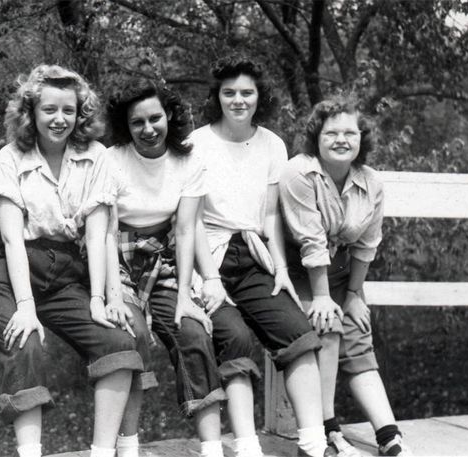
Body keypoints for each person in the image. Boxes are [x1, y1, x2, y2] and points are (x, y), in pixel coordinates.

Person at [0, 64, 153, 457]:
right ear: (31, 112)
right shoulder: (11, 157)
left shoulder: (96, 157)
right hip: (5, 273)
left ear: (80, 112)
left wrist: (103, 299)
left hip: (66, 273)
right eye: (49, 109)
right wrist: (25, 307)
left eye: (68, 110)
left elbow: (100, 233)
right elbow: (11, 238)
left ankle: (105, 452)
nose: (59, 119)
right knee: (26, 343)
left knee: (118, 340)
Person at [191, 57, 327, 457]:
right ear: (217, 97)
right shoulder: (197, 142)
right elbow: (192, 218)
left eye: (246, 92)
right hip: (208, 256)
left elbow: (270, 215)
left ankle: (313, 444)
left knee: (297, 334)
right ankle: (248, 447)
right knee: (234, 337)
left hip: (254, 255)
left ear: (258, 96)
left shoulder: (272, 143)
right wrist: (206, 277)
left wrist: (282, 269)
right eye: (229, 92)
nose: (238, 100)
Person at [278, 94, 411, 456]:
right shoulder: (299, 172)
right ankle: (328, 430)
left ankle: (389, 436)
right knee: (328, 326)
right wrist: (323, 298)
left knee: (359, 335)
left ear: (361, 139)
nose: (341, 139)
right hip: (298, 271)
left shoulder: (370, 182)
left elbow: (367, 244)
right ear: (316, 137)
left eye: (350, 133)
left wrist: (353, 294)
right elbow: (310, 240)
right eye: (331, 132)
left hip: (343, 272)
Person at [104, 79, 227, 457]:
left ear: (169, 115)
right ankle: (127, 446)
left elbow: (188, 227)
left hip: (165, 258)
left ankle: (212, 447)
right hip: (117, 258)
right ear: (127, 125)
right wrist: (111, 294)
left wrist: (186, 296)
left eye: (155, 118)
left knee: (192, 333)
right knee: (132, 335)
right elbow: (105, 233)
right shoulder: (111, 159)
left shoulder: (187, 160)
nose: (148, 129)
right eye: (137, 122)